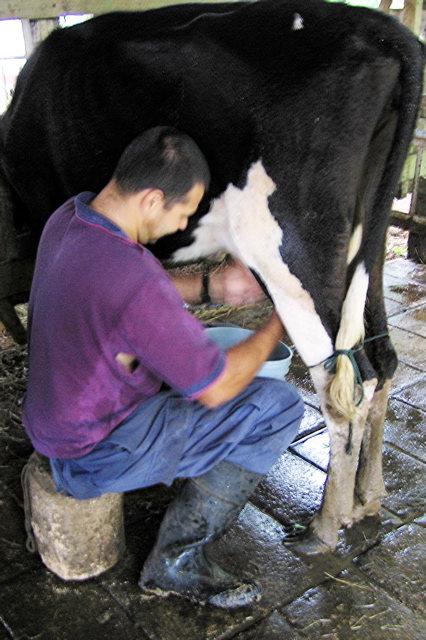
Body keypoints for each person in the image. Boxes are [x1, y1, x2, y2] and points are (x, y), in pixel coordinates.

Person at [22, 126, 304, 609]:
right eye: (182, 213)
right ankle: (176, 561)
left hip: (56, 422)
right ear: (152, 199)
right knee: (277, 407)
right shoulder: (133, 280)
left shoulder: (72, 217)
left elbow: (125, 289)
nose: (180, 227)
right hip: (91, 452)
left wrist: (214, 288)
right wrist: (282, 318)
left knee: (187, 370)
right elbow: (216, 387)